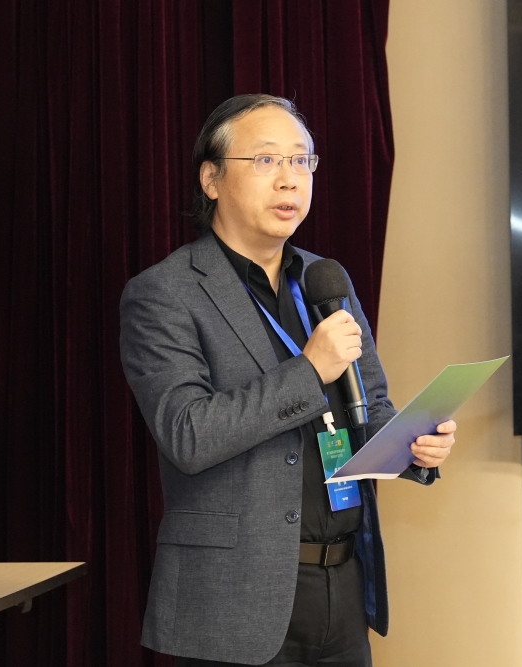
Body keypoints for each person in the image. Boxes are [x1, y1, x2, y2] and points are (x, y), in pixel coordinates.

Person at [120, 94, 457, 667]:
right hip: (234, 600)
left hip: (342, 586)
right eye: (267, 160)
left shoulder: (325, 280)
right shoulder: (165, 293)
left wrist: (413, 445)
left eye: (302, 161)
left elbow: (369, 405)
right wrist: (309, 370)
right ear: (211, 179)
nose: (290, 179)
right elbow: (188, 434)